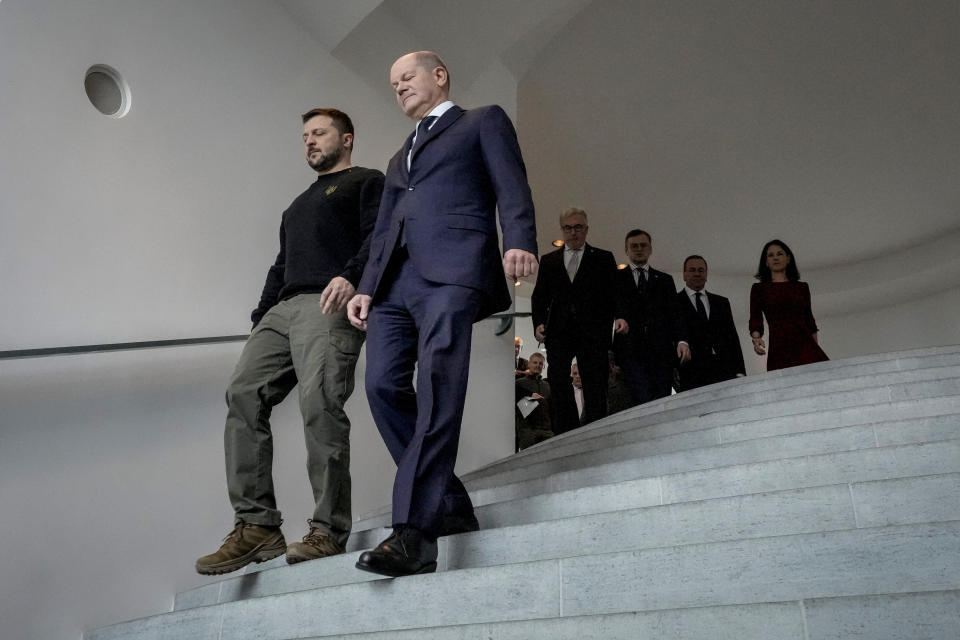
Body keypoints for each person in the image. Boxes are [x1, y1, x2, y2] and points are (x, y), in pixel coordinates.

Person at [346, 51, 538, 577]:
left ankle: (414, 533)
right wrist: (366, 287)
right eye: (393, 83)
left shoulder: (482, 121)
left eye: (407, 76)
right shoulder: (396, 157)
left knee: (436, 382)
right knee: (383, 388)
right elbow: (383, 229)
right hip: (392, 286)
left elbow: (511, 185)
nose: (399, 87)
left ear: (439, 75)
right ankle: (449, 503)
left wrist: (518, 240)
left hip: (452, 270)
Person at [195, 108, 384, 575]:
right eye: (305, 136)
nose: (310, 142)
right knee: (241, 392)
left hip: (328, 302)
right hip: (283, 309)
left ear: (347, 138)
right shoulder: (297, 205)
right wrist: (262, 317)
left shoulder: (367, 182)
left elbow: (380, 238)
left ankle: (328, 529)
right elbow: (280, 265)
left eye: (319, 133)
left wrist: (352, 277)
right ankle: (257, 526)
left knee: (319, 404)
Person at [530, 207, 626, 434]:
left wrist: (620, 316)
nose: (573, 232)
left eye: (578, 227)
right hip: (558, 332)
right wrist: (538, 323)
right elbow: (539, 296)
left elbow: (615, 293)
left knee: (594, 380)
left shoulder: (603, 258)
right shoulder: (549, 260)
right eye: (568, 228)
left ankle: (595, 430)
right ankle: (566, 431)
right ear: (562, 230)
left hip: (593, 332)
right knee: (558, 380)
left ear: (586, 229)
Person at [613, 229, 690, 405]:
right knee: (637, 401)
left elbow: (675, 314)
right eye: (634, 246)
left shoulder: (665, 280)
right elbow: (607, 310)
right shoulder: (615, 279)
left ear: (650, 249)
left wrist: (682, 340)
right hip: (629, 354)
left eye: (643, 245)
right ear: (626, 250)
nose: (639, 249)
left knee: (661, 402)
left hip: (661, 355)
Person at [749, 239, 829, 371]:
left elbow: (809, 320)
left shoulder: (801, 287)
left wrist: (816, 348)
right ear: (766, 263)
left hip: (806, 347)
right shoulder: (759, 289)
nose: (775, 258)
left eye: (780, 254)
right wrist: (756, 339)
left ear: (788, 259)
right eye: (770, 255)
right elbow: (755, 318)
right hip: (779, 348)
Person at [675, 255, 746, 390]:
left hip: (724, 372)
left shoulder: (721, 303)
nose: (697, 273)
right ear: (684, 275)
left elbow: (732, 339)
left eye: (701, 270)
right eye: (692, 270)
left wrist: (740, 371)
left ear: (706, 275)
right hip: (690, 374)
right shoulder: (674, 302)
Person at [515, 352, 552, 451]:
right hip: (527, 431)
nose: (538, 365)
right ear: (529, 364)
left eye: (540, 363)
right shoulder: (519, 383)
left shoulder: (547, 386)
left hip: (546, 430)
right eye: (535, 362)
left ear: (543, 366)